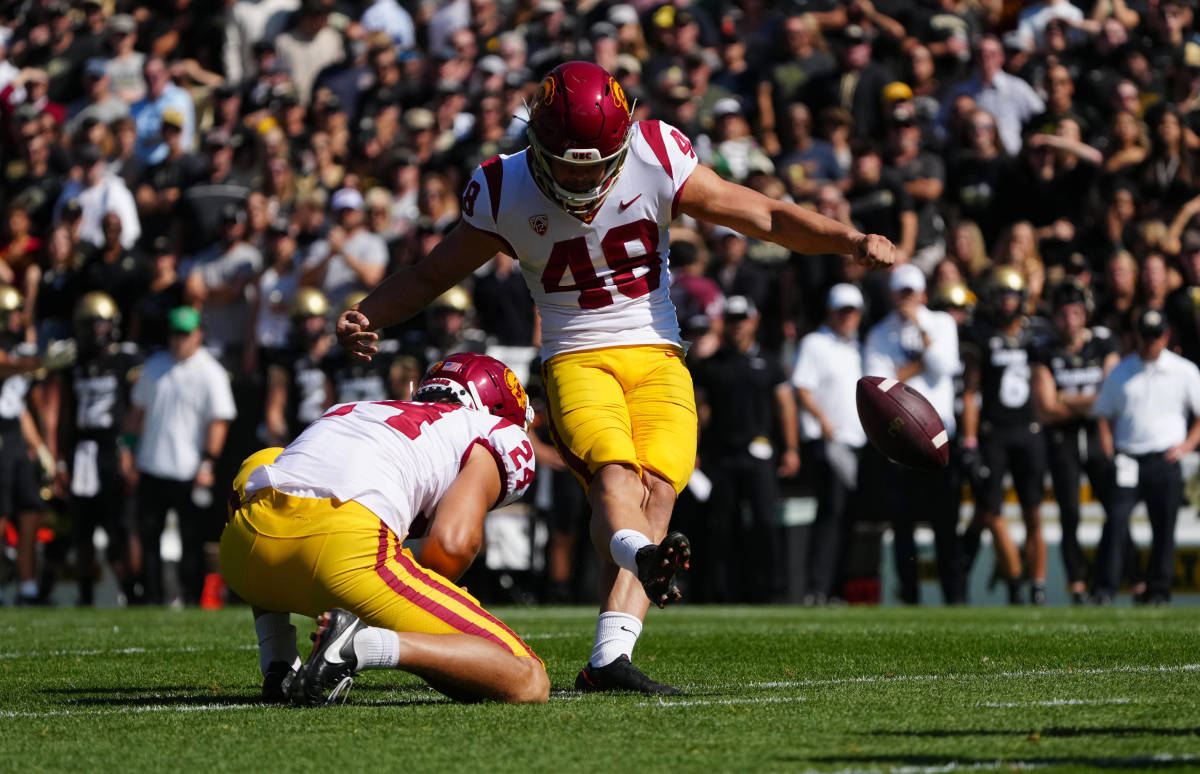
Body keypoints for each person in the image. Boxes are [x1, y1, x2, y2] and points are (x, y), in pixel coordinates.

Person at [337, 61, 895, 694]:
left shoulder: (655, 153)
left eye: (593, 163)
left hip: (659, 352)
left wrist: (849, 239)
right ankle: (640, 565)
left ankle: (610, 658)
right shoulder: (503, 186)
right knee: (613, 474)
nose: (581, 176)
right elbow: (431, 274)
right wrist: (369, 313)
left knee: (659, 490)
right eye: (567, 164)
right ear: (538, 145)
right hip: (576, 355)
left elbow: (762, 215)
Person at [219, 352, 548, 705]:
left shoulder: (357, 409)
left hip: (243, 557)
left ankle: (278, 659)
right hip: (342, 554)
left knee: (265, 459)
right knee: (528, 677)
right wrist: (434, 595)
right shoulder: (490, 430)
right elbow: (451, 544)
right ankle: (361, 645)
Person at [863, 264, 965, 604]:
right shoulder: (880, 333)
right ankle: (909, 593)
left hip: (940, 436)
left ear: (922, 294)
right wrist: (917, 364)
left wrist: (921, 331)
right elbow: (878, 388)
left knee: (945, 523)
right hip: (900, 442)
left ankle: (955, 595)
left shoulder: (941, 322)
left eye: (911, 292)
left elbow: (946, 365)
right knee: (902, 522)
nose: (906, 299)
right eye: (900, 293)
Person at [691, 295, 801, 603]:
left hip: (759, 455)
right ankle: (719, 593)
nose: (737, 326)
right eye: (732, 320)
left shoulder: (768, 362)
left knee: (766, 522)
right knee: (720, 527)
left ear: (753, 321)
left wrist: (791, 448)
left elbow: (786, 408)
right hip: (721, 456)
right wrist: (693, 450)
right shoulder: (711, 366)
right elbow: (698, 411)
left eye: (742, 319)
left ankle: (774, 591)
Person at [960, 266, 1055, 605]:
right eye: (1001, 294)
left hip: (1030, 431)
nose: (1006, 302)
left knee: (1033, 512)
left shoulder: (1037, 334)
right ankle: (1015, 580)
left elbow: (1046, 386)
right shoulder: (980, 334)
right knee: (990, 511)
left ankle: (1038, 586)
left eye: (1012, 294)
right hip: (994, 433)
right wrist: (969, 441)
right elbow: (971, 390)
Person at [1091, 308, 1200, 605]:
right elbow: (1103, 416)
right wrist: (1110, 453)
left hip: (1166, 459)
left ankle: (1158, 590)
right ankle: (1105, 588)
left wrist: (1187, 445)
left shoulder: (1184, 370)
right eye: (1145, 336)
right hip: (1128, 459)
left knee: (1164, 527)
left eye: (1155, 336)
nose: (1150, 343)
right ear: (1136, 337)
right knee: (1115, 521)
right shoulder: (1122, 371)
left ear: (1165, 336)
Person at [129, 306, 236, 605]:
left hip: (190, 469)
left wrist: (208, 463)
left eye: (185, 334)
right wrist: (128, 450)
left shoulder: (210, 371)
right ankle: (151, 598)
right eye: (175, 333)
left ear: (198, 334)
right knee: (149, 537)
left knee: (192, 540)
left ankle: (191, 598)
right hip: (151, 465)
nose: (179, 340)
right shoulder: (154, 365)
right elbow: (136, 413)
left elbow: (219, 421)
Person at [47, 292, 142, 606]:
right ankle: (86, 593)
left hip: (113, 449)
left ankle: (133, 589)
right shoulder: (73, 363)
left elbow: (136, 410)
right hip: (82, 451)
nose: (95, 332)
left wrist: (130, 450)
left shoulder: (125, 360)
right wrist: (60, 461)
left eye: (99, 325)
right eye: (89, 326)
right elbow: (62, 416)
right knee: (82, 526)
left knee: (122, 525)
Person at [1031, 281, 1119, 604]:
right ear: (1055, 318)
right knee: (1070, 513)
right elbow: (1047, 409)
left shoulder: (1103, 344)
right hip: (1063, 440)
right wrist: (1090, 402)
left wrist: (1068, 399)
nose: (1070, 321)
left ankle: (1112, 578)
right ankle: (1076, 583)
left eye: (1076, 314)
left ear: (1085, 315)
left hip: (1098, 436)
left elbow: (1111, 398)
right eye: (1064, 315)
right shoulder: (1044, 350)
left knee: (1115, 508)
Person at [791, 283, 867, 605]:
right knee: (830, 514)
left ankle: (837, 587)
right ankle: (817, 588)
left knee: (848, 517)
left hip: (856, 441)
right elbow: (802, 387)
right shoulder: (815, 343)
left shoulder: (859, 347)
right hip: (829, 442)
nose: (847, 317)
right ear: (830, 312)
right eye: (842, 311)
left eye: (852, 312)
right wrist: (822, 421)